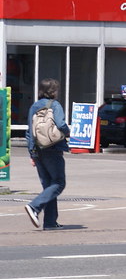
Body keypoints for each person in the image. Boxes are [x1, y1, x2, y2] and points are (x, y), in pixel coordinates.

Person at [24, 78, 70, 230]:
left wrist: (32, 153)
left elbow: (30, 131)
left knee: (48, 186)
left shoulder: (34, 106)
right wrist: (68, 133)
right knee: (58, 183)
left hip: (38, 150)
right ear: (53, 91)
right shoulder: (55, 105)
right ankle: (34, 207)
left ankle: (50, 222)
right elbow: (61, 124)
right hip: (53, 148)